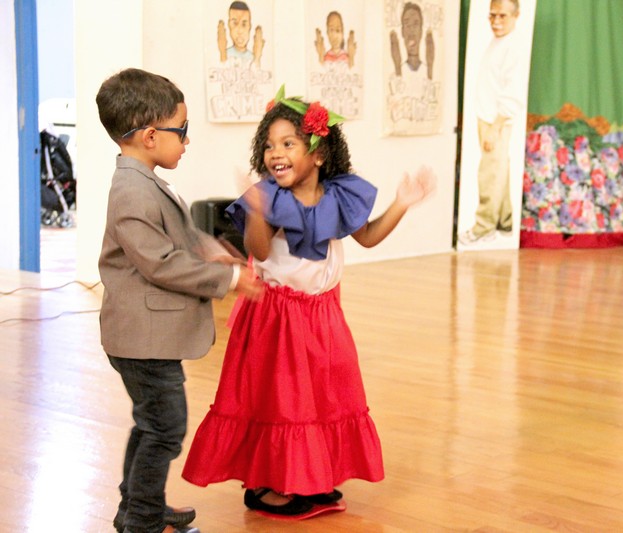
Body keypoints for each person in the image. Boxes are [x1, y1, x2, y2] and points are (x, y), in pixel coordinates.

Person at [181, 86, 435, 519]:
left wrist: (401, 204)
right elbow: (259, 251)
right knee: (281, 401)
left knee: (322, 396)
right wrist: (259, 210)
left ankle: (309, 476)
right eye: (269, 145)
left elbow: (369, 237)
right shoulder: (270, 197)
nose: (274, 153)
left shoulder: (338, 196)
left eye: (287, 144)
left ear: (318, 154)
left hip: (323, 313)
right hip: (278, 317)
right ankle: (271, 485)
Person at [95, 67, 263, 533]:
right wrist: (227, 279)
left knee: (149, 425)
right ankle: (142, 521)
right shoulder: (131, 189)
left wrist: (208, 249)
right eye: (182, 131)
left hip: (147, 338)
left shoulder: (143, 182)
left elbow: (171, 240)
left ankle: (138, 506)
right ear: (151, 135)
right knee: (165, 428)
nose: (186, 142)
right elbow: (161, 264)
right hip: (141, 341)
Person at [458, 0, 524, 245]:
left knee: (489, 174)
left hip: (496, 120)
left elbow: (512, 92)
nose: (496, 22)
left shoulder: (513, 48)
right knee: (499, 171)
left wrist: (495, 128)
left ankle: (483, 226)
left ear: (516, 16)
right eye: (492, 16)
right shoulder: (498, 43)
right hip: (486, 116)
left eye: (502, 16)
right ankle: (505, 221)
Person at [390, 2, 435, 81]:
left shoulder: (427, 69)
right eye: (407, 25)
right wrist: (397, 67)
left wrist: (430, 67)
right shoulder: (398, 71)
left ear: (421, 31)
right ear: (402, 31)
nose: (411, 30)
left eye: (415, 24)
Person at [217, 1, 264, 69]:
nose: (240, 31)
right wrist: (222, 54)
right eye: (235, 23)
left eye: (244, 24)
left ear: (249, 26)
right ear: (229, 25)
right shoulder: (224, 55)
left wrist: (257, 59)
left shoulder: (253, 58)